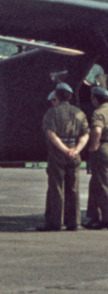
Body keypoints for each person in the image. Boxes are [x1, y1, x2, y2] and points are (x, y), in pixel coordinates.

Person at [40, 82, 89, 231]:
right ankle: (74, 222)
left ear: (57, 96)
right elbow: (86, 134)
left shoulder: (52, 113)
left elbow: (51, 134)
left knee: (56, 188)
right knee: (73, 188)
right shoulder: (79, 113)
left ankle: (55, 223)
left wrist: (64, 150)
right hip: (74, 152)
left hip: (58, 154)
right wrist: (75, 150)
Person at [84, 85, 108, 229]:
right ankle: (94, 216)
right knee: (96, 183)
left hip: (103, 148)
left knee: (102, 185)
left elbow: (97, 130)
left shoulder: (99, 112)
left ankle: (105, 219)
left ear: (96, 99)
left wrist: (93, 146)